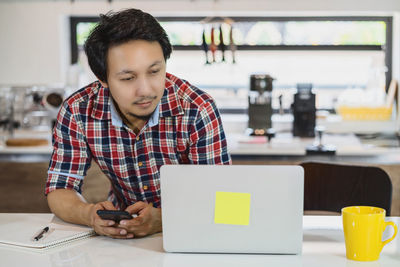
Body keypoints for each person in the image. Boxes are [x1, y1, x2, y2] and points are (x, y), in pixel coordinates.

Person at [45, 8, 231, 239]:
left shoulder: (196, 108)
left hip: (192, 227)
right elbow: (60, 187)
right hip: (119, 232)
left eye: (155, 71)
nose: (146, 90)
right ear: (102, 79)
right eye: (128, 78)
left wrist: (164, 218)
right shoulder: (78, 110)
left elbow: (221, 197)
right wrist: (90, 214)